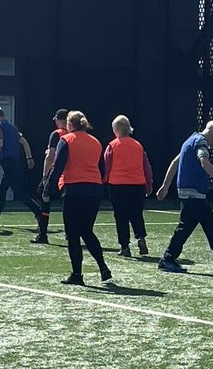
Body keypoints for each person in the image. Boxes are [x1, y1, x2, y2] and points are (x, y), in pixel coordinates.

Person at [155, 120, 213, 274]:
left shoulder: (190, 140)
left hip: (191, 193)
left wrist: (165, 185)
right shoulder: (201, 143)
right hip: (193, 194)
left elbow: (175, 162)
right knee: (186, 228)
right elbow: (204, 162)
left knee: (209, 225)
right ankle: (168, 259)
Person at [44, 111, 112, 285]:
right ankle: (102, 266)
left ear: (70, 125)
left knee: (73, 234)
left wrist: (48, 188)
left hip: (74, 189)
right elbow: (101, 167)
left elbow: (58, 166)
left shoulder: (66, 140)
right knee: (86, 230)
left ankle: (77, 274)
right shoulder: (95, 142)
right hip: (94, 189)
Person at [104, 115, 154, 257]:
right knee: (136, 213)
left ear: (116, 130)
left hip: (117, 185)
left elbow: (107, 164)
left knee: (121, 216)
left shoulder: (112, 145)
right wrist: (148, 183)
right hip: (137, 184)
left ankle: (124, 247)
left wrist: (104, 178)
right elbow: (146, 166)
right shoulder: (138, 145)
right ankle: (141, 237)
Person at [0, 107, 40, 227]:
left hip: (8, 162)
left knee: (19, 192)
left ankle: (38, 212)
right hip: (14, 162)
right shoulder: (13, 128)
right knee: (2, 190)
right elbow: (24, 142)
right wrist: (29, 158)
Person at [32, 108, 69, 245]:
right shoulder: (74, 134)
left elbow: (50, 156)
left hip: (55, 174)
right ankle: (69, 232)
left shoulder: (56, 134)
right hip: (69, 176)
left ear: (60, 120)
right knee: (67, 207)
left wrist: (45, 176)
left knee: (44, 202)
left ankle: (43, 234)